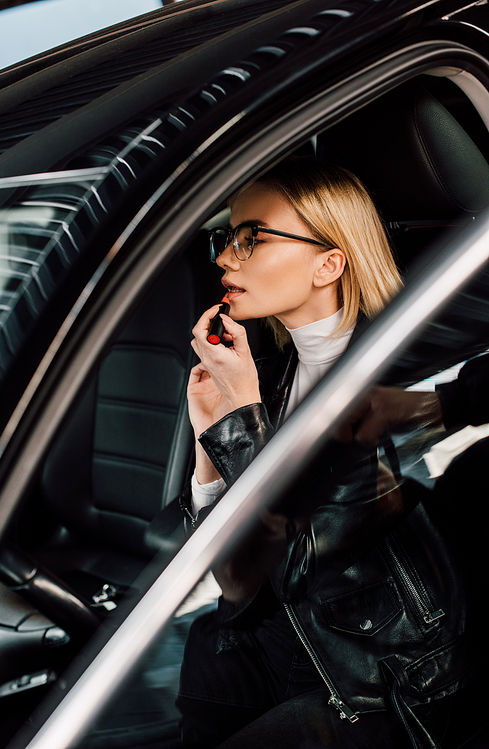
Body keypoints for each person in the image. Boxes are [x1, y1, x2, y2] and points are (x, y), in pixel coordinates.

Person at [175, 158, 477, 749]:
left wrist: (241, 417)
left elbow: (298, 560)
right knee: (210, 653)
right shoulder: (279, 375)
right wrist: (210, 443)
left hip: (382, 674)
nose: (223, 258)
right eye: (227, 238)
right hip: (291, 636)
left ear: (329, 263)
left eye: (250, 238)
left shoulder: (398, 380)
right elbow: (236, 580)